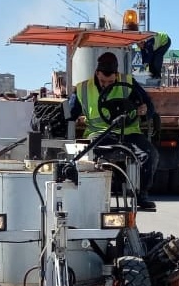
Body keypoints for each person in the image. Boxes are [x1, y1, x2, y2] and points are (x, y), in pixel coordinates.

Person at [65, 52, 160, 210]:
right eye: (103, 81)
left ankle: (141, 196)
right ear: (97, 73)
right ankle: (89, 196)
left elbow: (148, 105)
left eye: (110, 81)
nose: (106, 85)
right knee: (87, 155)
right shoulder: (83, 89)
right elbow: (69, 114)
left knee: (150, 154)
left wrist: (145, 110)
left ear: (116, 75)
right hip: (99, 134)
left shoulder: (128, 82)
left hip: (129, 132)